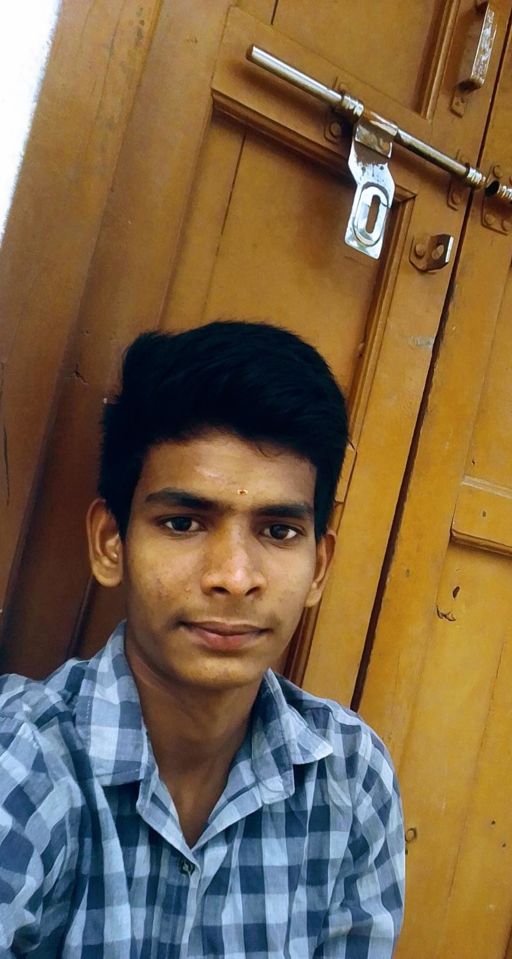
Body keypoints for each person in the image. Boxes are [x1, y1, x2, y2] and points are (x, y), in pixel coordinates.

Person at [0, 321, 405, 957]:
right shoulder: (21, 767)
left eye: (278, 532)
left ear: (318, 569)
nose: (234, 578)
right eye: (184, 523)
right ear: (111, 544)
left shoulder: (351, 779)